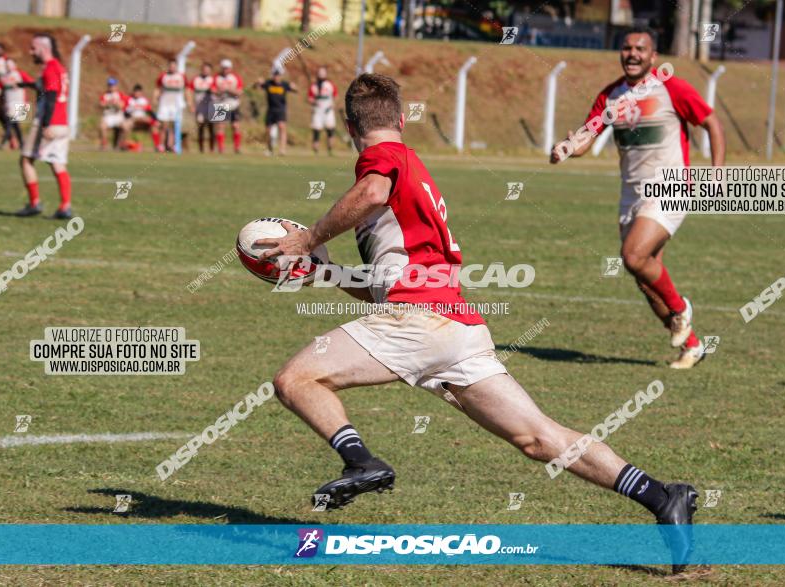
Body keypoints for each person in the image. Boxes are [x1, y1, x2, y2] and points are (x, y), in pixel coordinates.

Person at [254, 73, 698, 574]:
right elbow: (390, 275)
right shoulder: (412, 169)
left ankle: (361, 462)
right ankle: (662, 497)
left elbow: (374, 191)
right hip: (453, 324)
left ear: (348, 125)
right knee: (540, 439)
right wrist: (328, 271)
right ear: (401, 119)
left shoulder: (382, 162)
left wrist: (308, 237)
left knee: (295, 379)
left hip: (417, 320)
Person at [551, 26, 726, 369]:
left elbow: (712, 123)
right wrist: (567, 148)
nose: (632, 54)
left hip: (670, 187)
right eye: (627, 48)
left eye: (640, 49)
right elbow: (587, 136)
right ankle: (691, 345)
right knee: (647, 280)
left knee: (632, 256)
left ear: (653, 56)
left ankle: (680, 309)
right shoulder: (610, 96)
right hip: (631, 193)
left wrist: (717, 172)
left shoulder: (671, 88)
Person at [16, 34, 73, 219]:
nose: (30, 52)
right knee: (57, 164)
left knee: (26, 159)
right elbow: (47, 89)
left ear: (43, 48)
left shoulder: (49, 69)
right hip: (63, 123)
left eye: (33, 48)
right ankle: (65, 206)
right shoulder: (60, 68)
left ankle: (34, 203)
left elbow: (50, 97)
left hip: (48, 122)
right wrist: (25, 84)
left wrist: (46, 124)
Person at [0, 58, 33, 150]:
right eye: (6, 65)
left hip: (20, 102)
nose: (8, 66)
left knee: (11, 123)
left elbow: (31, 82)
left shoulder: (20, 74)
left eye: (10, 64)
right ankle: (21, 144)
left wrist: (20, 84)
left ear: (14, 65)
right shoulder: (4, 76)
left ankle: (3, 143)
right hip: (9, 103)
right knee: (13, 124)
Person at [257, 68, 296, 156]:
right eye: (275, 75)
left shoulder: (284, 85)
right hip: (270, 110)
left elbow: (295, 90)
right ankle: (269, 149)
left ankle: (282, 150)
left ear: (281, 76)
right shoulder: (268, 83)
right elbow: (258, 88)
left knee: (282, 127)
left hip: (280, 110)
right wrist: (258, 83)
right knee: (268, 130)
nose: (276, 77)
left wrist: (294, 87)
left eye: (278, 75)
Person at [154, 59, 186, 153]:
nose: (172, 67)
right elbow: (157, 88)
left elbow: (187, 89)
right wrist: (155, 98)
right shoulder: (163, 76)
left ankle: (171, 145)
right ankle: (161, 145)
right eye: (170, 66)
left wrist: (190, 102)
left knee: (174, 126)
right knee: (164, 125)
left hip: (176, 104)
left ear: (176, 66)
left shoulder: (181, 76)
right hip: (165, 103)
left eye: (174, 66)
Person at [211, 59, 243, 154]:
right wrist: (220, 91)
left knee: (236, 126)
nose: (225, 70)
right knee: (220, 126)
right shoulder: (216, 77)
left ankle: (237, 148)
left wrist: (228, 89)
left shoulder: (235, 77)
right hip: (221, 104)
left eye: (227, 68)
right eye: (224, 68)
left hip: (233, 104)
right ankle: (221, 148)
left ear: (230, 68)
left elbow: (239, 92)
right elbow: (213, 90)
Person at [307, 66, 337, 155]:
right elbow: (309, 98)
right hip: (318, 110)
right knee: (316, 130)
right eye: (320, 72)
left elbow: (335, 95)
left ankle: (330, 149)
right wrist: (314, 102)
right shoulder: (314, 85)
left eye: (323, 72)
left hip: (328, 110)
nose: (321, 74)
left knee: (330, 129)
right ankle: (315, 150)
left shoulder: (330, 84)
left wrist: (333, 104)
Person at [120, 84, 160, 151]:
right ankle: (124, 145)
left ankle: (157, 146)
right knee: (125, 126)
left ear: (141, 92)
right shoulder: (129, 100)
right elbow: (125, 113)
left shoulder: (144, 100)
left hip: (143, 120)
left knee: (155, 126)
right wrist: (133, 117)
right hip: (133, 119)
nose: (137, 93)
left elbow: (150, 111)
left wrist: (156, 120)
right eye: (136, 91)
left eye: (139, 92)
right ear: (133, 92)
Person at [187, 62, 215, 153]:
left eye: (208, 69)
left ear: (210, 70)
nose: (206, 71)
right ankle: (201, 149)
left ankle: (212, 149)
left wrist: (215, 91)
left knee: (212, 127)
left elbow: (220, 91)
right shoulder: (196, 79)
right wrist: (191, 104)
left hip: (213, 106)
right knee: (200, 126)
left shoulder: (214, 79)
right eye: (204, 69)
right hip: (199, 107)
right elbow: (189, 91)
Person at [98, 77, 126, 151]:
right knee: (102, 126)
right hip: (108, 116)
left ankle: (120, 144)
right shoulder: (104, 95)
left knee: (124, 126)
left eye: (113, 85)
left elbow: (122, 105)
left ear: (116, 86)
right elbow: (101, 105)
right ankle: (104, 144)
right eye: (110, 85)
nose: (111, 87)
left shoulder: (120, 94)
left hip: (117, 116)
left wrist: (116, 103)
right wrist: (109, 103)